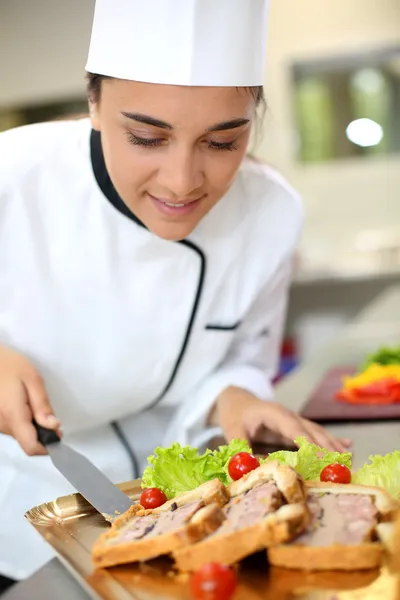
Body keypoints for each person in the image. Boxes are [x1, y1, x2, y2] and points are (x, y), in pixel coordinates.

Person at [0, 0, 351, 588]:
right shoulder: (11, 178)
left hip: (188, 510)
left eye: (221, 143)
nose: (182, 181)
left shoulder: (269, 212)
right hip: (20, 507)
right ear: (92, 104)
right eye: (145, 137)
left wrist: (235, 399)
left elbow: (242, 359)